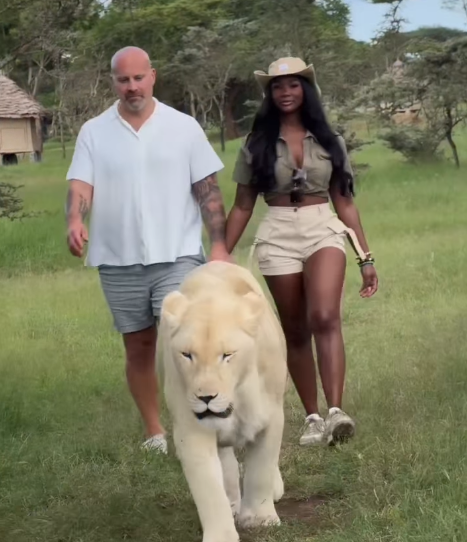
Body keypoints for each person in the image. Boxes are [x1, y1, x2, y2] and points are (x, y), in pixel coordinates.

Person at [65, 46, 231, 454]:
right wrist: (75, 220)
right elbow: (81, 185)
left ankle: (199, 423)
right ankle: (155, 431)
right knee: (138, 346)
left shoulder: (183, 126)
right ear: (113, 82)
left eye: (138, 78)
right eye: (123, 80)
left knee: (184, 343)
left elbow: (207, 190)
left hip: (177, 255)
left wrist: (220, 246)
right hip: (118, 261)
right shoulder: (94, 131)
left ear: (152, 76)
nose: (132, 86)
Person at [225, 57, 378, 448]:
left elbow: (344, 203)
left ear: (305, 89)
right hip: (277, 231)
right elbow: (243, 205)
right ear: (270, 94)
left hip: (321, 226)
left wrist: (365, 256)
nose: (286, 92)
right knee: (295, 329)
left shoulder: (330, 141)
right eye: (278, 86)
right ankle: (311, 417)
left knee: (325, 315)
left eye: (293, 84)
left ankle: (336, 411)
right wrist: (220, 256)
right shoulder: (256, 144)